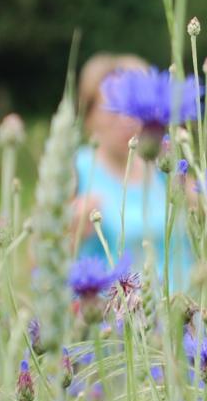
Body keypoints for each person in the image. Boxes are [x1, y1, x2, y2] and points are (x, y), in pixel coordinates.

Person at [73, 53, 192, 292]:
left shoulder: (166, 168)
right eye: (115, 108)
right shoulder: (75, 170)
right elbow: (43, 258)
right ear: (88, 116)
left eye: (134, 108)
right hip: (115, 319)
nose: (126, 119)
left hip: (180, 314)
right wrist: (70, 233)